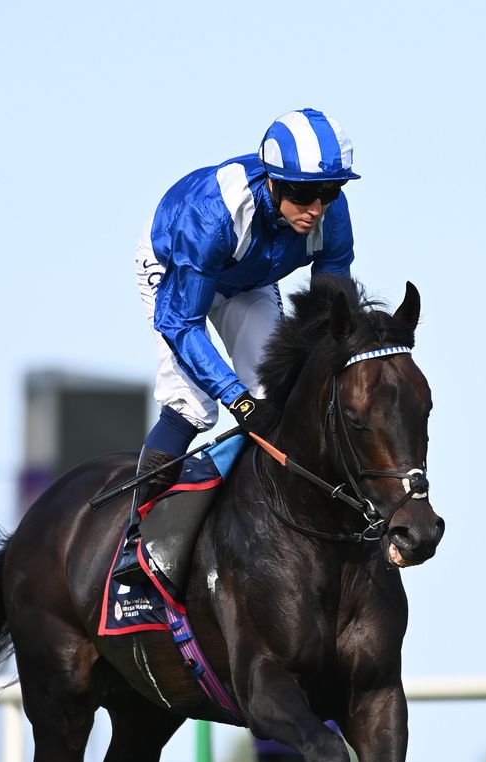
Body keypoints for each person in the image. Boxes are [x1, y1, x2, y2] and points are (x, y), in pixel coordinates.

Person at [114, 107, 360, 581]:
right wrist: (234, 396)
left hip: (247, 281)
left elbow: (332, 314)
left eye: (329, 192)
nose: (316, 208)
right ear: (272, 181)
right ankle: (135, 542)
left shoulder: (332, 215)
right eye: (304, 193)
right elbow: (181, 322)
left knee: (275, 397)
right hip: (177, 270)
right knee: (193, 404)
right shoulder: (213, 214)